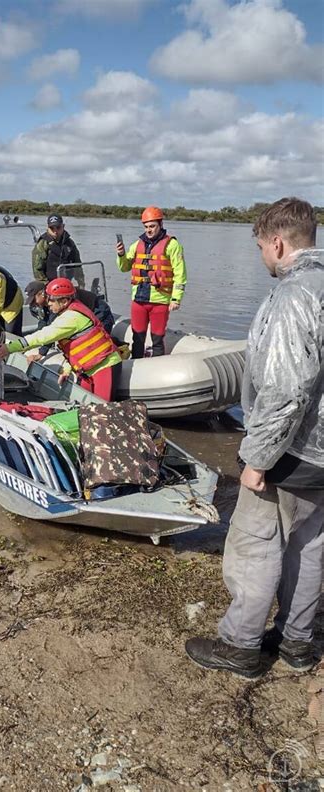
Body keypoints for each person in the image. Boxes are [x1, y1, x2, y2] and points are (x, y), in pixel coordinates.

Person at [185, 197, 324, 680]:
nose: (262, 256)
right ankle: (297, 643)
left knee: (255, 544)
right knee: (309, 545)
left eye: (262, 246)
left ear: (278, 243)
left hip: (291, 451)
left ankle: (241, 645)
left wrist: (258, 459)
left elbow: (288, 388)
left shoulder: (294, 296)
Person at [0, 278, 122, 400]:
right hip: (88, 370)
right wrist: (67, 370)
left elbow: (43, 336)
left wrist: (10, 348)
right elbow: (73, 349)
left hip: (104, 366)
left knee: (101, 410)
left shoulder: (72, 318)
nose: (48, 303)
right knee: (87, 408)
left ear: (65, 301)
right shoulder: (66, 314)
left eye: (52, 300)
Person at [116, 207, 187, 358]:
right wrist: (121, 254)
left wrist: (176, 298)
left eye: (152, 226)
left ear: (160, 224)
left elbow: (180, 273)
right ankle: (135, 365)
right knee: (138, 337)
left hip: (160, 300)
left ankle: (156, 366)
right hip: (139, 299)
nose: (149, 230)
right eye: (146, 226)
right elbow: (124, 267)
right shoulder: (137, 244)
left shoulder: (172, 245)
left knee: (157, 338)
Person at [32, 214, 85, 288]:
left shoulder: (70, 243)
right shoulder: (43, 244)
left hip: (66, 284)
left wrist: (81, 283)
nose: (55, 231)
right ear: (48, 228)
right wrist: (46, 285)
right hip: (49, 285)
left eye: (58, 227)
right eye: (52, 228)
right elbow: (37, 269)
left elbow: (77, 265)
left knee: (89, 297)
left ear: (63, 226)